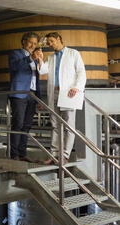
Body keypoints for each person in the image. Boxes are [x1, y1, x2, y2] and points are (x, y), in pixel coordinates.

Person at [35, 32, 86, 165]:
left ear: (59, 39)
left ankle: (64, 156)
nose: (50, 44)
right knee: (55, 125)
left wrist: (76, 87)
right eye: (48, 43)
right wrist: (40, 59)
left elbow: (81, 71)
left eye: (52, 41)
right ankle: (53, 155)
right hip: (54, 93)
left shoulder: (73, 53)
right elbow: (42, 71)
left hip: (68, 93)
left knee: (69, 126)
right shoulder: (51, 58)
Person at [8, 32, 42, 163]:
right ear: (23, 42)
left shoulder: (35, 58)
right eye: (30, 43)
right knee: (18, 123)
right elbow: (15, 67)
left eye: (35, 44)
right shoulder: (15, 54)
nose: (33, 46)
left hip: (32, 94)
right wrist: (30, 58)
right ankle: (14, 154)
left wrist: (39, 98)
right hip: (19, 93)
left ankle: (22, 154)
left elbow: (36, 79)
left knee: (27, 125)